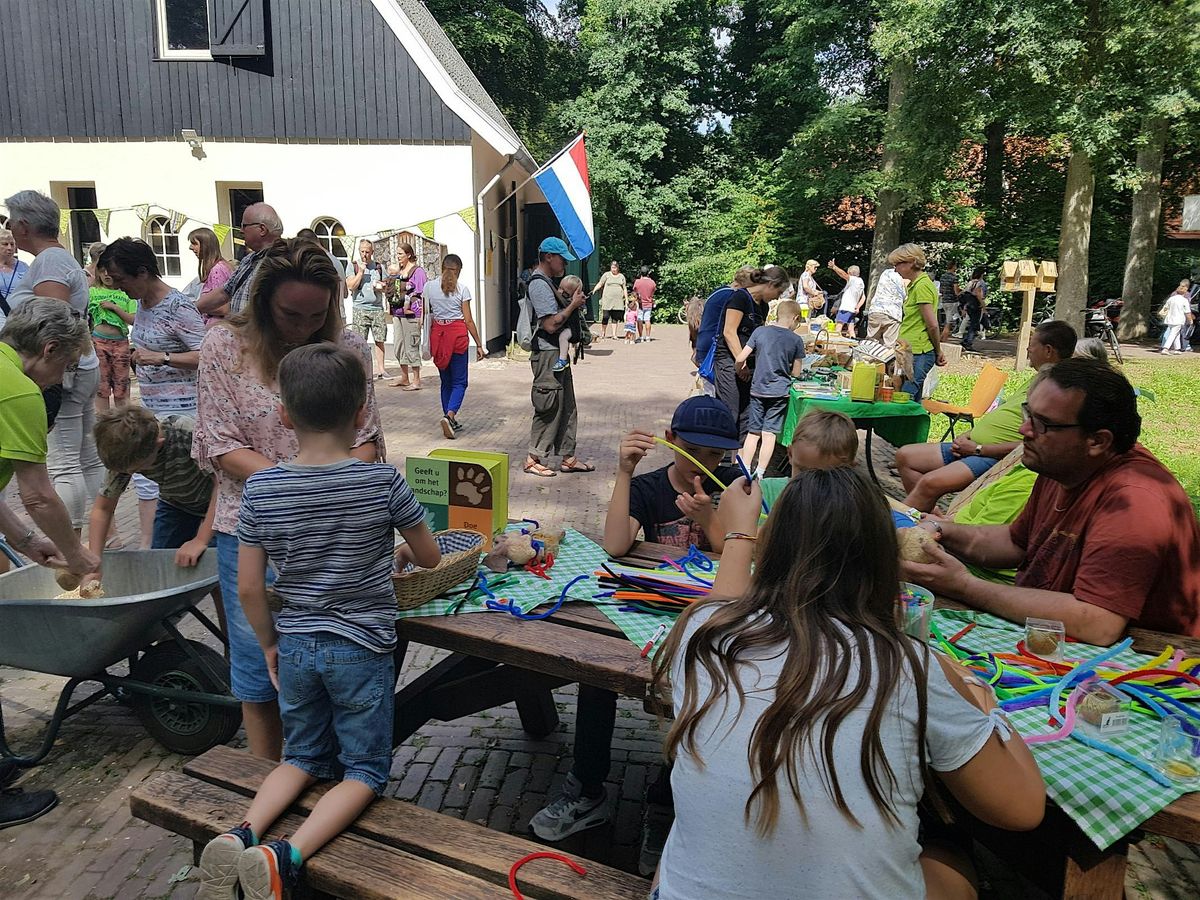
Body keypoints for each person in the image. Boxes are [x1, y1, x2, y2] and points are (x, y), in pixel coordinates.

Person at [653, 467, 1044, 899]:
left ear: (772, 548)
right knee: (950, 852)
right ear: (883, 561)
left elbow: (725, 603)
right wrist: (985, 705)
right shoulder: (912, 666)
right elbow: (1022, 811)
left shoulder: (704, 631)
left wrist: (740, 531)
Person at [196, 343, 439, 900]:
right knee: (364, 771)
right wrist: (395, 552)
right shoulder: (382, 481)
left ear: (284, 414)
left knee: (300, 755)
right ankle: (287, 854)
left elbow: (250, 587)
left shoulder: (262, 488)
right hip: (362, 647)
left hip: (298, 645)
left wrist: (269, 645)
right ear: (360, 416)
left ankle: (242, 833)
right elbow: (428, 557)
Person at [192, 239, 385, 761]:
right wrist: (299, 486)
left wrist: (311, 488)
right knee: (260, 672)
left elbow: (367, 437)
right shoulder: (223, 348)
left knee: (339, 663)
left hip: (334, 535)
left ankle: (326, 781)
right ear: (261, 303)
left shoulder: (348, 348)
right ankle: (267, 781)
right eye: (289, 315)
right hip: (252, 533)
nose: (302, 328)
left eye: (316, 316)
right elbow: (220, 444)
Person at [533, 396, 741, 873]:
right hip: (653, 611)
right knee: (599, 667)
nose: (705, 465)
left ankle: (668, 801)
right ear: (672, 443)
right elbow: (614, 544)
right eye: (694, 452)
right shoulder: (649, 489)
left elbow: (737, 550)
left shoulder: (731, 486)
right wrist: (624, 472)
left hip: (710, 619)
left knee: (702, 690)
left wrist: (710, 517)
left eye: (716, 455)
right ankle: (588, 786)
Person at [902, 358, 1200, 644]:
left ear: (1098, 441)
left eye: (1043, 423)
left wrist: (965, 586)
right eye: (1027, 414)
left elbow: (1098, 623)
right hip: (1056, 644)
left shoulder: (1134, 500)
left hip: (1146, 667)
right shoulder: (1061, 463)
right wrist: (944, 532)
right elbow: (1015, 542)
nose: (1024, 431)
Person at [0, 299, 100, 830]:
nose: (59, 378)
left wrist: (23, 539)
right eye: (64, 366)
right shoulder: (18, 389)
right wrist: (81, 558)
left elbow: (21, 508)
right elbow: (39, 494)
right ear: (48, 349)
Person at [3, 190, 103, 534]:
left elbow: (52, 323)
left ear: (25, 225)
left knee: (63, 463)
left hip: (61, 371)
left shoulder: (48, 262)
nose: (10, 230)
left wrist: (52, 382)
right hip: (78, 365)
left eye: (11, 222)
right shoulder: (59, 259)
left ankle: (71, 538)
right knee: (86, 456)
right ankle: (109, 535)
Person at [896, 321, 1077, 512]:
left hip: (992, 456)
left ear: (1048, 351)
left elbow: (1035, 444)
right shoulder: (1039, 379)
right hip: (971, 446)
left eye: (1031, 344)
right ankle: (931, 518)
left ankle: (908, 527)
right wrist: (968, 434)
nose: (1027, 349)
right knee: (905, 457)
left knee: (929, 483)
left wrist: (979, 449)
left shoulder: (1054, 391)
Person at [87, 408, 216, 583]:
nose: (132, 473)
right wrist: (94, 565)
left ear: (158, 444)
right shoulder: (124, 451)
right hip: (176, 504)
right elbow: (102, 509)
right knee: (161, 566)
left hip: (218, 504)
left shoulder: (187, 433)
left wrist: (200, 539)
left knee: (217, 565)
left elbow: (223, 485)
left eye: (137, 469)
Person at [693, 267, 790, 440]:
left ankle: (738, 461)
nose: (778, 297)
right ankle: (720, 454)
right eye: (779, 291)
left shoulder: (763, 306)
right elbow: (729, 332)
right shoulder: (739, 298)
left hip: (746, 364)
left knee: (747, 413)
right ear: (770, 284)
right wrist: (741, 362)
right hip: (729, 361)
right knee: (730, 411)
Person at [524, 237, 593, 477]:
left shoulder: (549, 283)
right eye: (562, 257)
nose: (565, 262)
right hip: (547, 354)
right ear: (549, 257)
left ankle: (568, 457)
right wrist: (573, 306)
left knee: (567, 407)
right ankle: (533, 459)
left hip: (556, 354)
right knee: (549, 406)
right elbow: (551, 325)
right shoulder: (539, 285)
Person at [733, 299, 805, 477]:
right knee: (769, 434)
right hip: (779, 392)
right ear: (795, 318)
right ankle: (761, 472)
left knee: (753, 432)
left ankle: (745, 470)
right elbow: (796, 372)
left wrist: (741, 370)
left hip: (758, 389)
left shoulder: (760, 332)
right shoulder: (796, 340)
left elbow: (740, 357)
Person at [424, 253, 484, 439]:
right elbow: (468, 320)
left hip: (438, 334)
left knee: (446, 380)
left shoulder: (429, 287)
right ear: (459, 270)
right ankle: (450, 416)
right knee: (460, 381)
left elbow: (426, 315)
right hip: (456, 335)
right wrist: (479, 344)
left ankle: (448, 417)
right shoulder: (462, 289)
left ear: (442, 267)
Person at [758, 409, 859, 508]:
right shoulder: (766, 492)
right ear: (790, 454)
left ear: (850, 468)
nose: (811, 484)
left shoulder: (851, 506)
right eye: (803, 471)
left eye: (827, 476)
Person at [197, 203, 283, 318]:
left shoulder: (281, 261)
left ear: (262, 229)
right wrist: (190, 308)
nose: (241, 230)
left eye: (244, 226)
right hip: (240, 333)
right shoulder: (249, 259)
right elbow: (224, 292)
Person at [86, 242, 138, 412]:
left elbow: (133, 319)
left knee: (121, 384)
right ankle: (104, 422)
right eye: (102, 271)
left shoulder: (125, 293)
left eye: (110, 271)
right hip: (99, 341)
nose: (107, 275)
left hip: (121, 343)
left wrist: (115, 308)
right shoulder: (92, 292)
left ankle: (124, 421)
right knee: (101, 386)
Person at [892, 243, 944, 398]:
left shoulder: (922, 286)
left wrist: (938, 350)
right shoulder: (916, 285)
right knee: (913, 398)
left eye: (898, 264)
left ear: (912, 262)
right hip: (910, 349)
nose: (895, 269)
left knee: (905, 397)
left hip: (919, 351)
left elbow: (932, 325)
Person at [346, 239, 389, 379]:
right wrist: (361, 272)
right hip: (360, 307)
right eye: (362, 251)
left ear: (372, 252)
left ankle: (381, 369)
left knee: (380, 339)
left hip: (376, 307)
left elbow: (387, 286)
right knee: (360, 341)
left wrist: (383, 287)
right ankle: (362, 370)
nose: (365, 254)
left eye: (367, 252)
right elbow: (350, 286)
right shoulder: (353, 266)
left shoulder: (378, 267)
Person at [387, 242, 426, 389]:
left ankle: (416, 380)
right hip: (398, 313)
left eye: (400, 254)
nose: (398, 257)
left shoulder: (418, 272)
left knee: (412, 345)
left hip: (412, 314)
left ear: (408, 254)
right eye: (397, 254)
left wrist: (422, 315)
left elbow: (423, 294)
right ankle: (404, 377)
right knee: (399, 346)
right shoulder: (398, 271)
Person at [190, 227, 235, 325]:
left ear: (205, 245)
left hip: (217, 327)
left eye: (194, 244)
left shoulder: (217, 270)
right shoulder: (221, 266)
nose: (190, 247)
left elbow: (223, 308)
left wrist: (195, 306)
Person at [865, 261, 906, 349]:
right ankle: (886, 361)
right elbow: (905, 295)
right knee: (889, 345)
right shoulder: (904, 277)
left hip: (876, 309)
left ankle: (865, 360)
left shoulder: (886, 272)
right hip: (893, 313)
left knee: (871, 342)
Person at [826, 260, 866, 338]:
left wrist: (834, 267)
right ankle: (853, 345)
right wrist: (857, 307)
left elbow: (843, 274)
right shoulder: (861, 282)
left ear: (850, 273)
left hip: (846, 308)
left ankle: (834, 345)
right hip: (852, 309)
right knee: (851, 329)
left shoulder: (853, 280)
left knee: (838, 327)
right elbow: (863, 297)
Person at [551, 275, 583, 371]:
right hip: (567, 327)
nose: (560, 292)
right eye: (559, 288)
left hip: (573, 330)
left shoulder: (573, 302)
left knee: (563, 337)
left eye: (565, 291)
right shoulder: (562, 299)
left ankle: (562, 360)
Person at [592, 260, 628, 340]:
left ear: (617, 268)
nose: (613, 269)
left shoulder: (621, 276)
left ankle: (614, 334)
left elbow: (624, 288)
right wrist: (594, 289)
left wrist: (626, 299)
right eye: (612, 267)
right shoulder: (606, 275)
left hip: (617, 301)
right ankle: (603, 333)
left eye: (615, 268)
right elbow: (600, 283)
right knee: (605, 317)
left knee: (615, 318)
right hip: (607, 300)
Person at [0, 227, 29, 314]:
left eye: (12, 244)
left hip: (20, 315)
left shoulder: (23, 267)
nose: (10, 248)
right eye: (5, 244)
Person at [1159, 279, 1193, 354]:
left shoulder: (1171, 299)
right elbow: (1187, 312)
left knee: (1176, 334)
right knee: (1173, 334)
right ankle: (1165, 348)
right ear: (1184, 292)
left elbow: (1165, 308)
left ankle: (1177, 349)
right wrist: (1190, 320)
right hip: (1178, 319)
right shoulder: (1184, 300)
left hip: (1170, 319)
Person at [960, 266, 987, 352]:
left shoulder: (970, 282)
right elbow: (979, 295)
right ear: (981, 274)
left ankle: (966, 340)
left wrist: (964, 306)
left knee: (972, 323)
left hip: (969, 305)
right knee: (974, 325)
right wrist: (983, 306)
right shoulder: (979, 283)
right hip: (976, 306)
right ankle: (968, 342)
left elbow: (965, 294)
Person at [633, 266, 657, 342]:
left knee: (639, 320)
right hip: (649, 303)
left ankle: (640, 337)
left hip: (640, 304)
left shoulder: (637, 282)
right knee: (647, 320)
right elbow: (653, 292)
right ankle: (648, 337)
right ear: (648, 273)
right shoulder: (652, 282)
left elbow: (635, 291)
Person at [938, 261, 961, 340]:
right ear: (953, 266)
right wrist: (961, 291)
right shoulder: (954, 277)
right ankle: (943, 337)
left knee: (948, 319)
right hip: (952, 301)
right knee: (949, 321)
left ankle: (943, 336)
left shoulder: (942, 276)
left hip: (944, 300)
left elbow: (941, 290)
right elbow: (956, 291)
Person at [798, 259, 824, 324]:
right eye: (815, 267)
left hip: (808, 302)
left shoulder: (810, 276)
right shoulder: (806, 274)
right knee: (804, 322)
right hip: (803, 302)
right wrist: (814, 293)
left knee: (807, 321)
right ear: (809, 267)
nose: (816, 269)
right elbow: (805, 286)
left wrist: (818, 292)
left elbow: (810, 288)